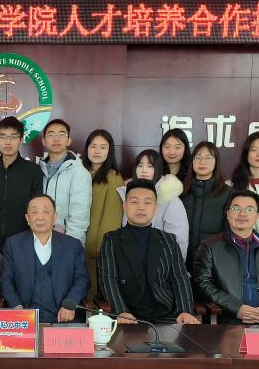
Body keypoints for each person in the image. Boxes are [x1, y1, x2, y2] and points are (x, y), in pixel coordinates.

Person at [97, 179, 199, 325]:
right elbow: (108, 279)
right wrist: (121, 311)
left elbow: (179, 277)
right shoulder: (111, 240)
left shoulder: (168, 240)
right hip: (128, 317)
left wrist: (185, 310)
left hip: (165, 316)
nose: (141, 207)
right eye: (134, 202)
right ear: (125, 206)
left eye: (147, 202)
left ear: (155, 208)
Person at [194, 190, 259, 324]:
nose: (242, 214)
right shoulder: (210, 247)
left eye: (249, 210)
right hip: (227, 317)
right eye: (236, 208)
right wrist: (236, 308)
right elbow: (202, 284)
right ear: (227, 214)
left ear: (257, 216)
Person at [0, 195, 89, 323]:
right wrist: (17, 307)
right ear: (27, 218)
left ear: (55, 217)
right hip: (25, 318)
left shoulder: (72, 245)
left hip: (63, 318)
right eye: (34, 212)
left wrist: (70, 304)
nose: (40, 217)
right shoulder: (13, 244)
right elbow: (5, 280)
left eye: (46, 212)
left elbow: (82, 279)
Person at [0, 116, 44, 295]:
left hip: (22, 248)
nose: (8, 142)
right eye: (3, 136)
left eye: (13, 136)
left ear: (21, 139)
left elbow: (36, 210)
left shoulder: (33, 171)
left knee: (19, 297)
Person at [120, 150, 188, 258]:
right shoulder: (128, 195)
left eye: (150, 166)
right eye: (140, 166)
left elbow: (179, 242)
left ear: (158, 169)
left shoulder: (170, 199)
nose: (144, 170)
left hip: (160, 264)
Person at [82, 128, 124, 301]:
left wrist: (101, 245)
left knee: (92, 295)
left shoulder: (114, 177)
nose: (97, 151)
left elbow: (112, 217)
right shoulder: (80, 173)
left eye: (103, 147)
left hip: (94, 247)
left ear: (110, 151)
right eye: (93, 146)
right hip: (76, 241)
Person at [38, 118, 92, 244]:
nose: (56, 139)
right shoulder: (38, 171)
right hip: (39, 239)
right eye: (51, 134)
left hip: (66, 242)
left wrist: (71, 245)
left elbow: (80, 216)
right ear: (43, 141)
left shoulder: (79, 173)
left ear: (69, 140)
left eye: (62, 134)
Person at [181, 141, 231, 268]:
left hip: (214, 261)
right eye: (198, 157)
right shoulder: (181, 191)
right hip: (182, 260)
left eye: (208, 158)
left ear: (216, 162)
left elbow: (229, 231)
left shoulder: (227, 193)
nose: (202, 162)